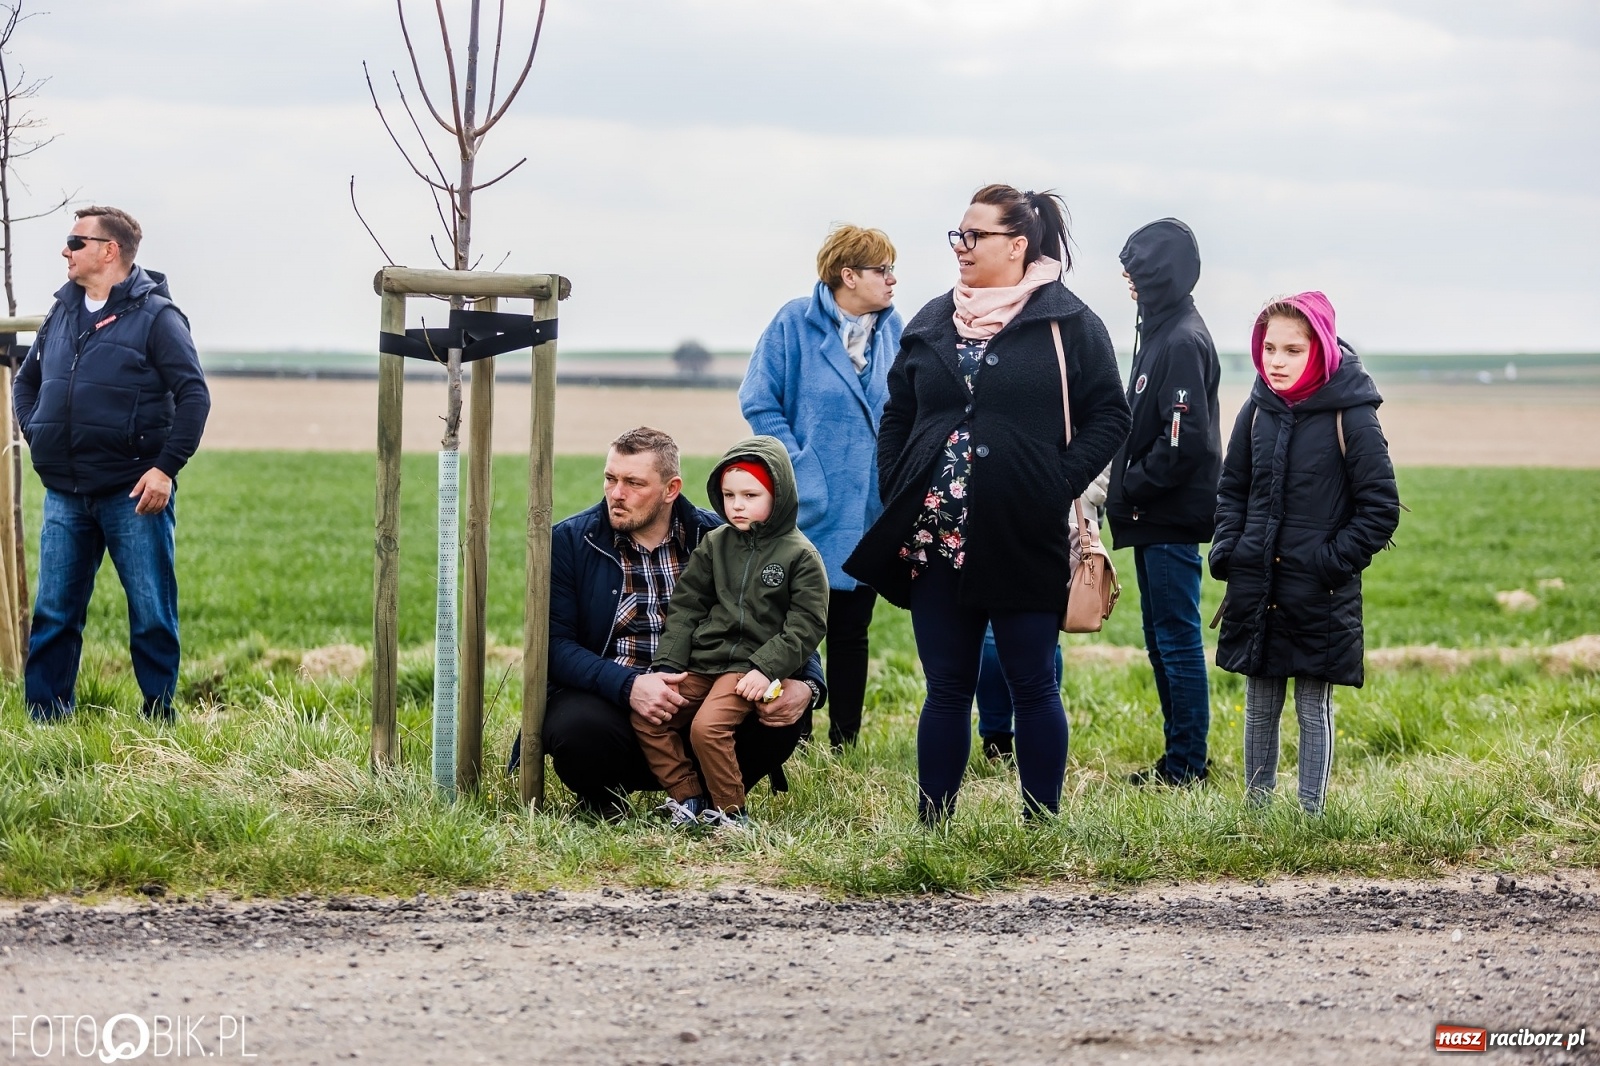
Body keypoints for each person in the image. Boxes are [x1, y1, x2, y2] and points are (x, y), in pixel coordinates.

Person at [845, 184, 1131, 823]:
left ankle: (1039, 823)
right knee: (946, 689)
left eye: (975, 236)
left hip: (1021, 532)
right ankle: (933, 827)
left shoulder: (1068, 321)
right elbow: (899, 412)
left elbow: (1111, 415)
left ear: (1018, 244)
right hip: (934, 537)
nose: (961, 247)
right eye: (958, 234)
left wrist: (1055, 483)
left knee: (1032, 686)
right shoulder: (930, 319)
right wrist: (898, 479)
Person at [509, 427, 826, 819]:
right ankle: (607, 798)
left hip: (709, 686)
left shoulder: (720, 535)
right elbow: (553, 647)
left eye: (633, 483)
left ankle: (718, 806)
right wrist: (630, 687)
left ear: (671, 488)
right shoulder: (572, 542)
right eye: (610, 479)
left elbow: (792, 619)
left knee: (775, 709)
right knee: (578, 727)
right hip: (613, 702)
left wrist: (809, 686)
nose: (616, 493)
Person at [13, 206, 210, 722]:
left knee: (150, 615)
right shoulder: (61, 312)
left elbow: (194, 396)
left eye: (76, 242)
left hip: (133, 494)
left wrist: (165, 469)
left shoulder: (158, 318)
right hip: (65, 494)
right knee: (54, 615)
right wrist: (38, 432)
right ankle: (46, 721)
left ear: (109, 251)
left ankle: (159, 720)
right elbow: (25, 381)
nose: (66, 250)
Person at [1210, 293, 1399, 814]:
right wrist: (1231, 550)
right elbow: (1232, 490)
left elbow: (1380, 508)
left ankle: (1310, 819)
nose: (1276, 360)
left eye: (1292, 350)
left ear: (1319, 350)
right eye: (1270, 347)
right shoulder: (1256, 410)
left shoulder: (1352, 416)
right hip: (1256, 581)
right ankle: (1256, 814)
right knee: (1259, 704)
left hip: (1320, 590)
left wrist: (1327, 564)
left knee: (1313, 705)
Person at [739, 224, 903, 748]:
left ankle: (845, 741)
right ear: (848, 275)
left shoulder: (894, 328)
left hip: (869, 508)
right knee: (799, 627)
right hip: (808, 506)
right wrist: (802, 469)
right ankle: (795, 734)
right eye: (883, 270)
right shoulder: (794, 323)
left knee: (853, 627)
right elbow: (760, 401)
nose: (893, 279)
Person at [636, 437, 829, 829]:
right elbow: (688, 605)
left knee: (708, 728)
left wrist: (767, 668)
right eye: (728, 495)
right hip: (702, 662)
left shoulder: (800, 555)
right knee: (650, 718)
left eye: (750, 494)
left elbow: (806, 623)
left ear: (779, 494)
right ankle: (688, 799)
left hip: (748, 669)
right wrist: (667, 664)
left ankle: (730, 812)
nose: (737, 505)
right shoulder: (715, 544)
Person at [1105, 218, 1222, 787]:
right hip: (1151, 518)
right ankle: (1181, 756)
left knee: (1176, 639)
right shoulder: (1161, 329)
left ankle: (1186, 766)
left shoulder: (1180, 340)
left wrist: (1132, 491)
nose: (1128, 283)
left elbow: (1184, 444)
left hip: (1168, 517)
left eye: (1135, 274)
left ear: (1158, 278)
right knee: (1161, 638)